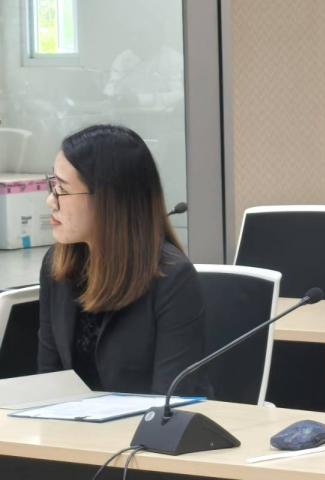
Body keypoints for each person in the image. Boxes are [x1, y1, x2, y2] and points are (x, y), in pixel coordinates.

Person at [37, 124, 208, 396]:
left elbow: (172, 400)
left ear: (108, 200)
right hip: (70, 422)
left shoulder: (172, 278)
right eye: (52, 185)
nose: (50, 201)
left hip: (143, 423)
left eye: (62, 190)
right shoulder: (56, 265)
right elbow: (49, 380)